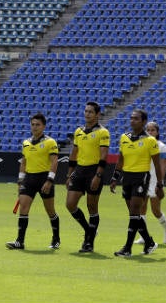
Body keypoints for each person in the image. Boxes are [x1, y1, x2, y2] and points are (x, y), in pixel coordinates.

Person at [110, 109, 162, 257]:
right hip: (127, 177)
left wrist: (159, 184)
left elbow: (157, 165)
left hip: (141, 177)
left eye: (136, 119)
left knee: (134, 212)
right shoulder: (124, 138)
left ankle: (127, 248)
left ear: (144, 122)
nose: (133, 121)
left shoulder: (150, 141)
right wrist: (115, 178)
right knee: (134, 215)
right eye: (131, 118)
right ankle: (149, 242)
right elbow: (121, 160)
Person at [6, 113, 60, 250]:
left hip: (44, 179)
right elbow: (23, 163)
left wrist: (49, 180)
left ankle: (56, 238)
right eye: (33, 124)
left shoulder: (50, 142)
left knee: (50, 211)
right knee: (23, 208)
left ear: (44, 126)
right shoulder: (26, 143)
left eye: (38, 125)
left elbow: (54, 162)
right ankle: (20, 241)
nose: (34, 127)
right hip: (29, 179)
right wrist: (20, 181)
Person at [66, 101, 110, 253]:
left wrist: (98, 175)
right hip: (79, 170)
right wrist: (69, 174)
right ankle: (89, 230)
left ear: (97, 114)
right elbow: (74, 153)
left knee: (92, 207)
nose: (87, 114)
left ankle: (89, 242)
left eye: (90, 112)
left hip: (93, 171)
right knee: (70, 204)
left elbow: (104, 156)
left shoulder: (103, 132)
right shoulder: (78, 131)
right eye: (86, 111)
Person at [133, 121, 166, 245]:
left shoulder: (161, 146)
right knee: (141, 208)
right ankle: (143, 236)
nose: (150, 132)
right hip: (143, 179)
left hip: (155, 180)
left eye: (152, 130)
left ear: (157, 132)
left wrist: (160, 183)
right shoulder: (142, 144)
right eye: (148, 130)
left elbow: (163, 166)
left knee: (156, 210)